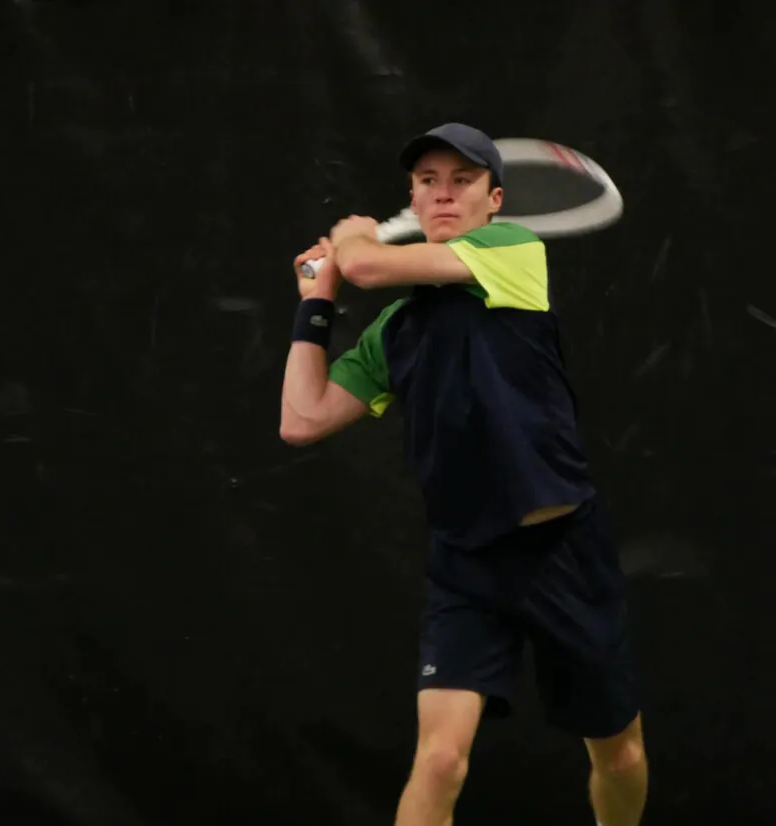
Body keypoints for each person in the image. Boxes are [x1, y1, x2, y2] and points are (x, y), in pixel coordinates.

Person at [279, 123, 647, 826]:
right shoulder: (394, 329)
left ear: (493, 200)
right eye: (427, 183)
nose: (443, 194)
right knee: (441, 761)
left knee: (619, 754)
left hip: (562, 550)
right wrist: (314, 305)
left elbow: (363, 266)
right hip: (467, 563)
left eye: (462, 181)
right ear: (413, 201)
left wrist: (349, 238)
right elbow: (304, 417)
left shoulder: (513, 252)